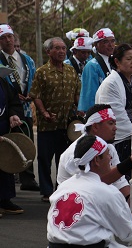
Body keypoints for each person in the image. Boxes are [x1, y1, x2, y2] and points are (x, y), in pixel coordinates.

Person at [47, 135, 132, 248]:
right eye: (107, 154)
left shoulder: (63, 187)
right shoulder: (108, 192)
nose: (110, 158)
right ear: (96, 160)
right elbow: (128, 234)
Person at [56, 104, 132, 199]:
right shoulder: (77, 152)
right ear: (95, 127)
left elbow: (120, 183)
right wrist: (131, 162)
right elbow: (94, 183)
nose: (115, 128)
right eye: (110, 123)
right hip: (73, 204)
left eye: (115, 123)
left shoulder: (109, 148)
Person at [30, 37, 81, 202]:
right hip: (47, 124)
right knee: (45, 158)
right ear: (48, 52)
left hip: (66, 124)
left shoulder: (70, 71)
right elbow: (36, 95)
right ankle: (46, 190)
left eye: (63, 48)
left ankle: (62, 188)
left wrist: (79, 111)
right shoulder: (41, 72)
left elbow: (76, 95)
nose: (61, 51)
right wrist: (44, 112)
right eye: (57, 48)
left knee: (64, 158)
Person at [0, 24, 38, 191]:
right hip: (6, 109)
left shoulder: (26, 59)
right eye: (3, 38)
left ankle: (28, 177)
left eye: (10, 36)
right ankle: (9, 179)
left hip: (26, 107)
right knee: (8, 144)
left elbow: (35, 79)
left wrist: (31, 93)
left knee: (26, 141)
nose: (8, 40)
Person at [0, 65, 25, 215]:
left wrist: (13, 114)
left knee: (4, 164)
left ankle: (4, 200)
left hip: (3, 131)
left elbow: (13, 102)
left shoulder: (2, 83)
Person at [78, 27, 115, 112]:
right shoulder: (92, 66)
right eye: (106, 42)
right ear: (96, 45)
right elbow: (89, 96)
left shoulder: (114, 62)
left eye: (112, 41)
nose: (111, 45)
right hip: (100, 112)